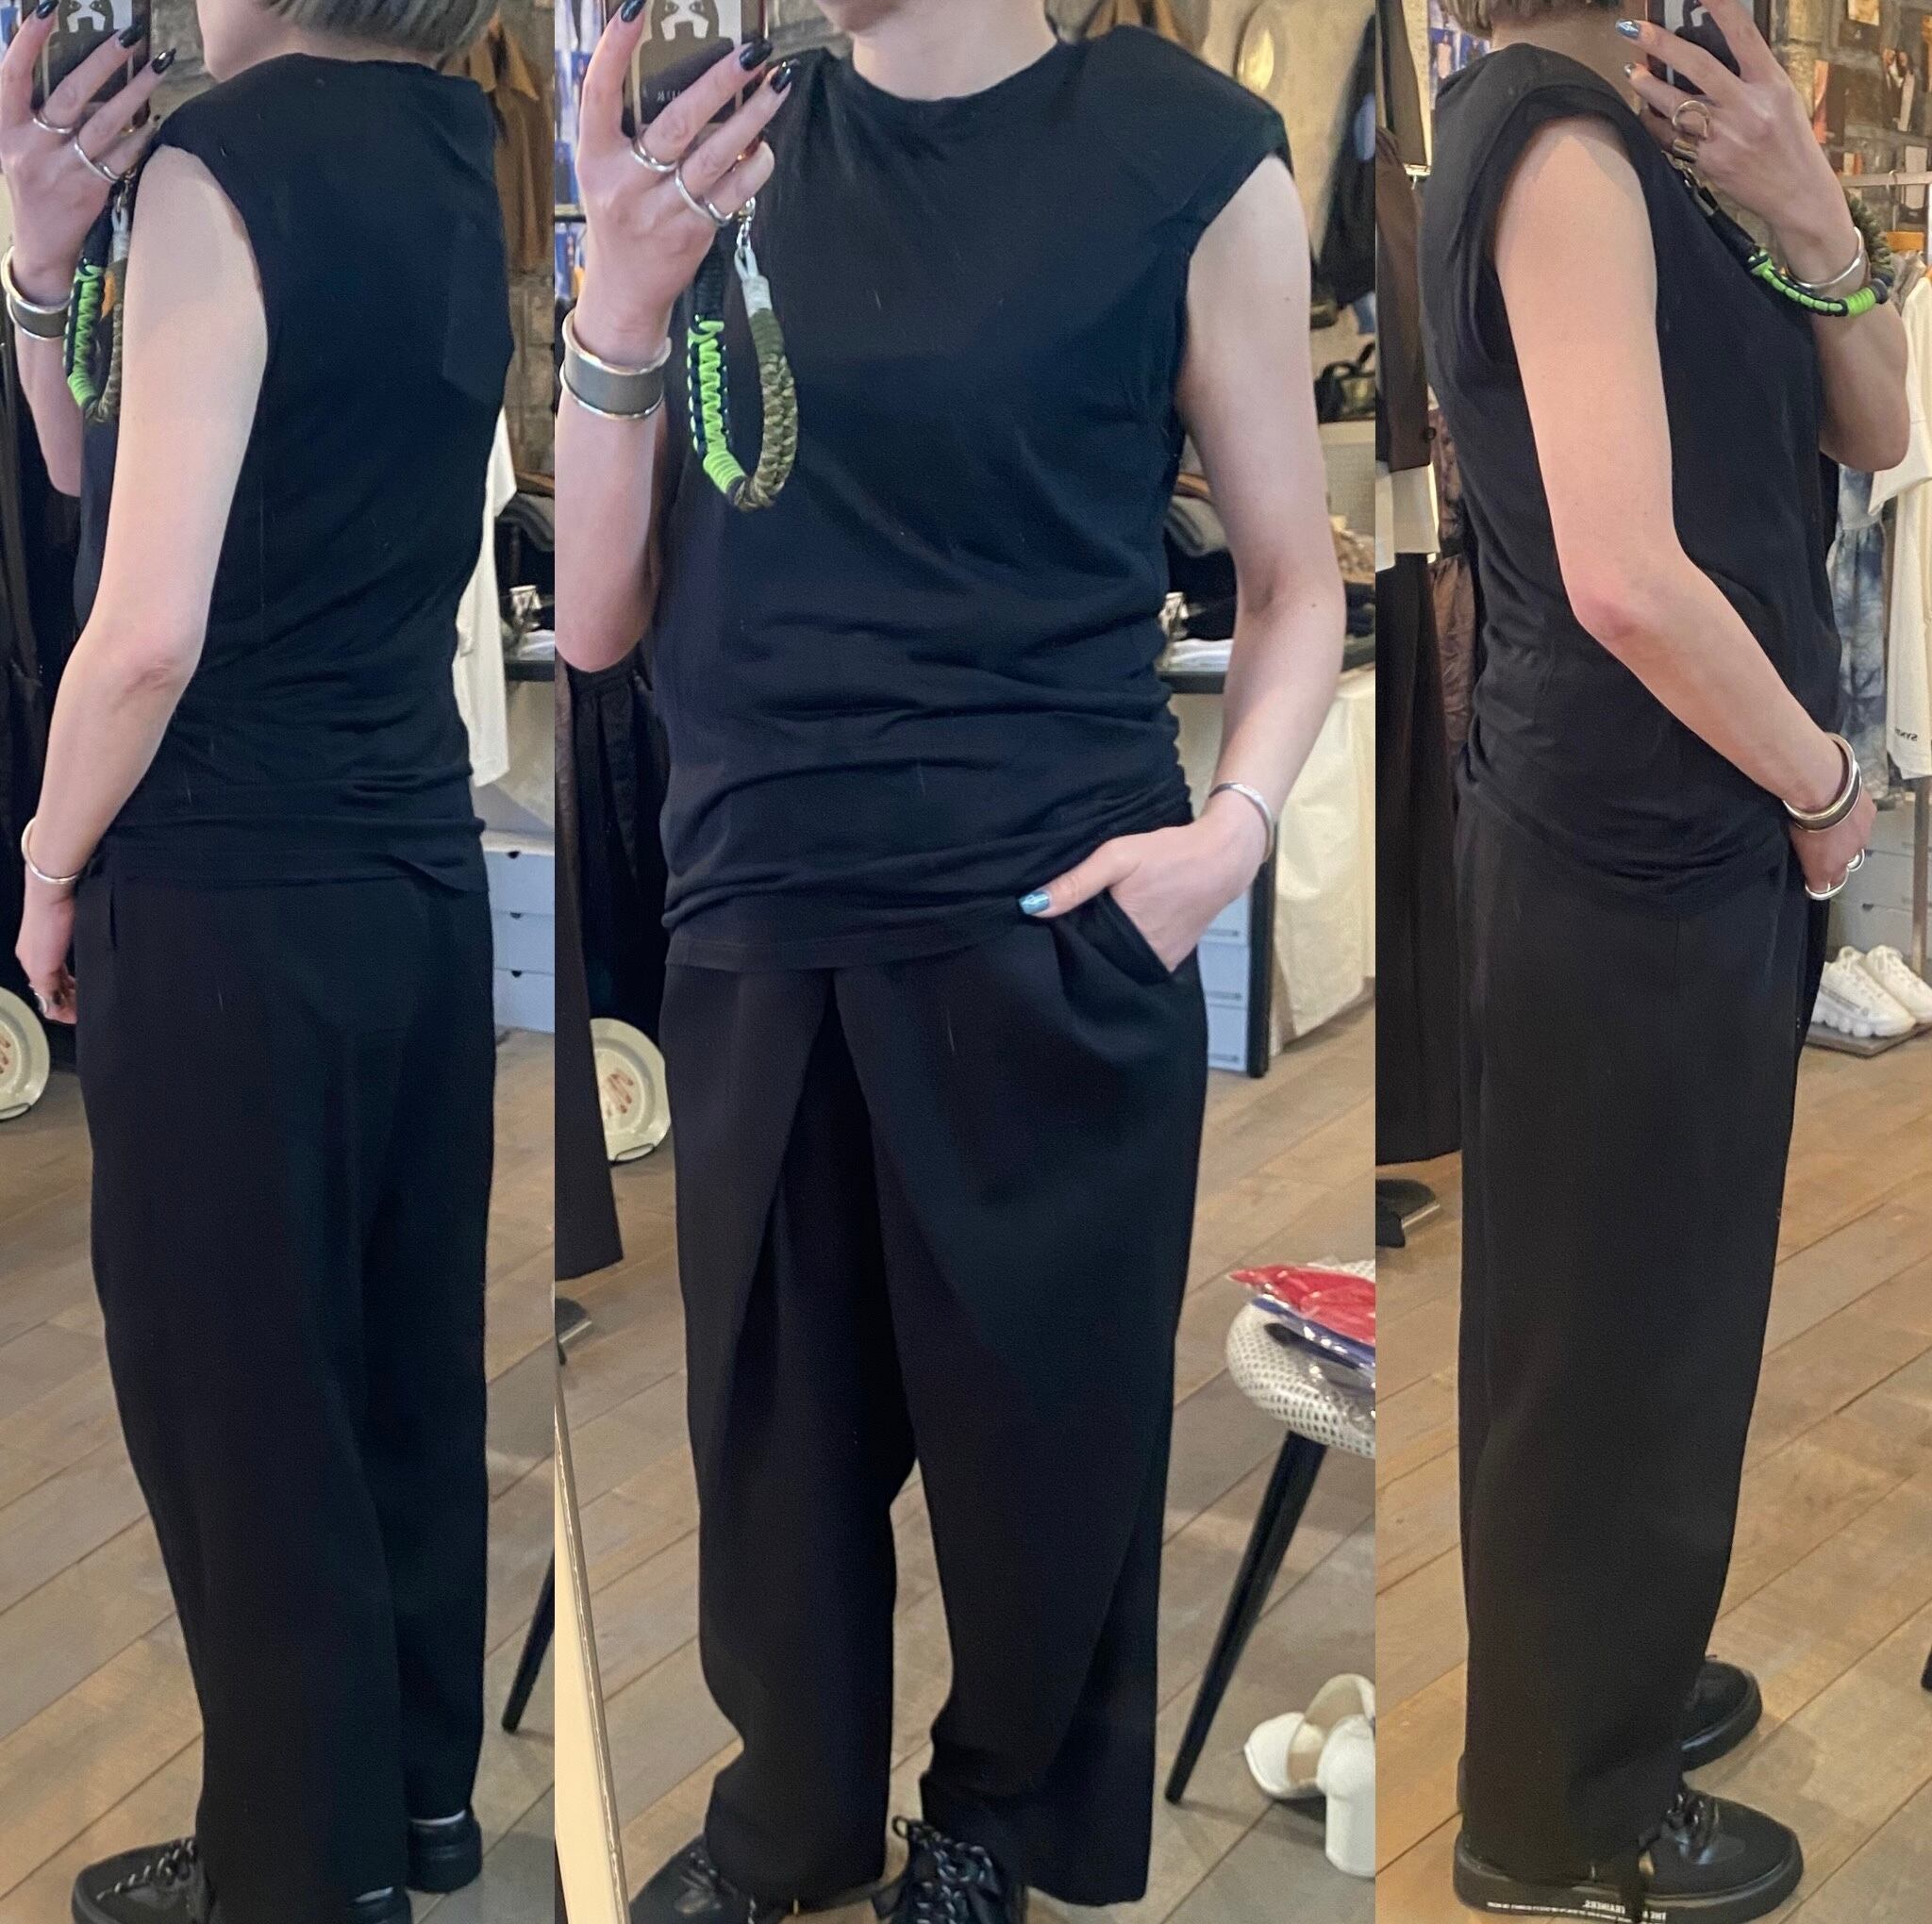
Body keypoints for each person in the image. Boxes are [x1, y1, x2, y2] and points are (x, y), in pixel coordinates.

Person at [555, 2, 1344, 1919]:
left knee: (1046, 1457)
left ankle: (995, 1822)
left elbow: (1290, 573)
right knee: (772, 1458)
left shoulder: (1185, 152)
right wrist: (622, 307)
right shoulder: (730, 144)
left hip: (1049, 919)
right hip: (760, 909)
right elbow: (592, 620)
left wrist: (1230, 835)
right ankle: (791, 1823)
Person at [6, 0, 512, 1913]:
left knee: (240, 1401)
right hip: (410, 864)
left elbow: (141, 629)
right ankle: (409, 1809)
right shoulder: (461, 153)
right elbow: (108, 477)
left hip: (228, 884)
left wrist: (46, 860)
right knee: (394, 1363)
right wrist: (43, 271)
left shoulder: (226, 164)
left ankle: (299, 1870)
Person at [1418, 0, 1904, 1917]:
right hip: (1632, 832)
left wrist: (1810, 209)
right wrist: (1823, 779)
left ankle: (1599, 1672)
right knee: (1604, 1336)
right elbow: (1621, 573)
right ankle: (1557, 1809)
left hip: (1677, 823)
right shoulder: (1558, 145)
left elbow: (1877, 426)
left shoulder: (1673, 138)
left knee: (1645, 1317)